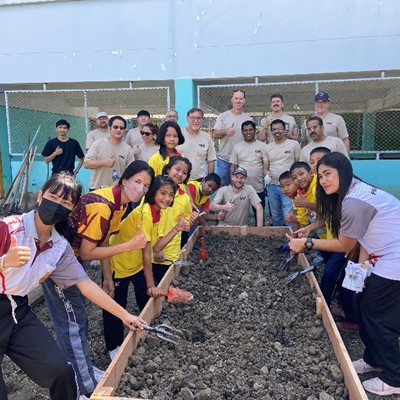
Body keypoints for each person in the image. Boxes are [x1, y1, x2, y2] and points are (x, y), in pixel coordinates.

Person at [0, 173, 144, 400]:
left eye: (66, 202)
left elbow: (85, 284)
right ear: (40, 196)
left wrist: (126, 316)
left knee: (61, 371)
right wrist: (3, 262)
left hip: (17, 311)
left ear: (73, 209)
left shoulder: (59, 247)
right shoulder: (8, 228)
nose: (57, 205)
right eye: (53, 196)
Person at [286, 152, 400, 396]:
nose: (324, 180)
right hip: (379, 253)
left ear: (344, 172)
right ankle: (373, 358)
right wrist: (361, 271)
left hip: (394, 257)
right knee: (360, 304)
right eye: (321, 175)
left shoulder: (353, 201)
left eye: (328, 174)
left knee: (378, 315)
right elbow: (366, 236)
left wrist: (306, 243)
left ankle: (394, 376)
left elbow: (346, 245)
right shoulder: (352, 191)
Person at [42, 161, 153, 397]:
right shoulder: (103, 206)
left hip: (70, 260)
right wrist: (130, 245)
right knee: (72, 322)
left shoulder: (119, 205)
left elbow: (101, 240)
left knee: (78, 317)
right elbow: (87, 252)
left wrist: (107, 277)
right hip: (58, 264)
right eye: (137, 182)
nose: (141, 189)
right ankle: (85, 388)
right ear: (124, 180)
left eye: (146, 185)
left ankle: (83, 371)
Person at [105, 175, 183, 360]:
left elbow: (156, 248)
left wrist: (177, 228)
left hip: (136, 264)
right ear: (153, 192)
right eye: (163, 193)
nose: (167, 198)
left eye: (170, 195)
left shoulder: (158, 213)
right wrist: (151, 284)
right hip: (120, 264)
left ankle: (147, 330)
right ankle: (113, 347)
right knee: (115, 307)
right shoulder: (145, 214)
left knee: (145, 299)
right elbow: (147, 254)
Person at [152, 156, 196, 281]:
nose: (180, 174)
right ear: (168, 170)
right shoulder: (155, 192)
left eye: (184, 172)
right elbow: (148, 222)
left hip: (172, 251)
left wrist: (188, 223)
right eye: (177, 169)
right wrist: (157, 250)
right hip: (153, 249)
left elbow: (185, 220)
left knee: (166, 283)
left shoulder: (184, 198)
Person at [230, 120, 268, 226]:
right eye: (245, 130)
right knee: (238, 215)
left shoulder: (263, 146)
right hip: (241, 188)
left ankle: (260, 233)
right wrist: (233, 184)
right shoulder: (237, 147)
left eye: (251, 130)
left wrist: (267, 179)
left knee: (259, 213)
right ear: (242, 132)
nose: (248, 132)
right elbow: (233, 166)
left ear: (255, 131)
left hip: (258, 187)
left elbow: (265, 165)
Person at [212, 89, 252, 186]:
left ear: (244, 101)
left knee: (241, 190)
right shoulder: (223, 116)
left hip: (242, 161)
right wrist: (226, 131)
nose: (238, 101)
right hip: (225, 160)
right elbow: (215, 134)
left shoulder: (248, 119)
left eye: (241, 99)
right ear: (232, 100)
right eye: (236, 98)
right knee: (223, 190)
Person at [84, 115, 136, 190]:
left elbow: (131, 171)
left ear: (124, 131)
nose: (118, 130)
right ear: (109, 128)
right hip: (97, 189)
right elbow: (86, 164)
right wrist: (103, 162)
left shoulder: (128, 149)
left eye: (121, 128)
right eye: (115, 127)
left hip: (117, 190)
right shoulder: (98, 144)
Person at [265, 119, 301, 226]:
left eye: (280, 129)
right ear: (271, 132)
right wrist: (266, 176)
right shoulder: (267, 147)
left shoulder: (294, 144)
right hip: (272, 186)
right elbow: (266, 166)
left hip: (289, 186)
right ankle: (277, 238)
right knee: (276, 215)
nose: (277, 131)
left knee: (288, 214)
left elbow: (298, 164)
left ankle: (291, 238)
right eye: (274, 129)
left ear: (285, 130)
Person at [177, 108, 217, 181]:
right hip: (178, 179)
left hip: (198, 181)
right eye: (193, 118)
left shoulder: (207, 137)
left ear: (202, 120)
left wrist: (209, 180)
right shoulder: (179, 134)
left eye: (199, 118)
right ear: (187, 119)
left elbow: (211, 160)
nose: (196, 121)